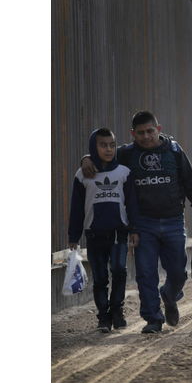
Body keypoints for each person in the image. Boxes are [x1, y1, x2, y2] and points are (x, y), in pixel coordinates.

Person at [81, 111, 192, 333]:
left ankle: (169, 296)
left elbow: (191, 185)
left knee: (178, 273)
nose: (146, 136)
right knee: (146, 273)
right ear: (133, 134)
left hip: (173, 221)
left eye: (150, 131)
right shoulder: (126, 154)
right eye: (141, 133)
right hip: (143, 224)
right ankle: (153, 318)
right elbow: (103, 158)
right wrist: (86, 159)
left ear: (159, 130)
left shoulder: (174, 151)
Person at [69, 128, 139, 332]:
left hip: (119, 233)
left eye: (112, 145)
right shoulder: (83, 175)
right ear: (94, 147)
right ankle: (103, 318)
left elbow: (132, 204)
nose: (109, 149)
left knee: (119, 270)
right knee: (100, 278)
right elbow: (76, 209)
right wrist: (73, 236)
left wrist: (134, 229)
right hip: (94, 234)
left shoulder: (124, 173)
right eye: (103, 145)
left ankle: (117, 310)